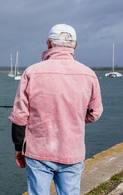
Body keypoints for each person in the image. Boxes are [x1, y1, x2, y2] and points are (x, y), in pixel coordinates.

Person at [9, 24, 103, 195]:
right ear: (75, 45)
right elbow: (94, 113)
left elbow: (19, 116)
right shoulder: (89, 74)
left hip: (38, 151)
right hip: (72, 151)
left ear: (48, 43)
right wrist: (74, 116)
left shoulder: (31, 72)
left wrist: (18, 147)